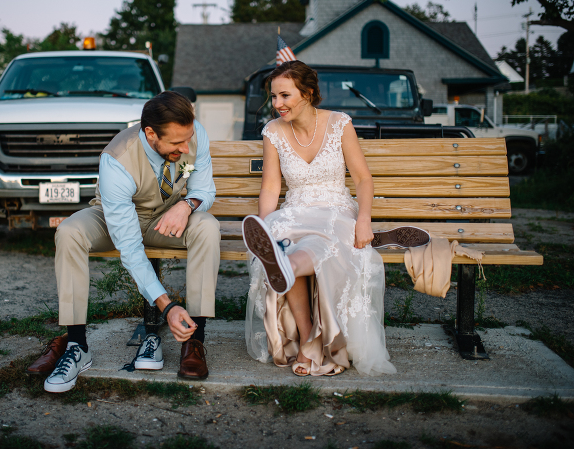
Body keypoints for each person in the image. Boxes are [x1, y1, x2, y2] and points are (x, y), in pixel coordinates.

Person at [44, 91, 219, 393]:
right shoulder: (116, 161)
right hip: (116, 218)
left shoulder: (192, 132)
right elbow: (130, 247)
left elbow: (204, 189)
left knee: (207, 227)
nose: (186, 147)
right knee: (69, 232)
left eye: (188, 139)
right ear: (151, 134)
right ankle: (76, 344)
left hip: (167, 217)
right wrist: (167, 306)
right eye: (177, 143)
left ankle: (194, 340)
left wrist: (186, 205)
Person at [242, 60, 401, 377]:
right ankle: (307, 335)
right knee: (285, 242)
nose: (277, 104)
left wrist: (364, 219)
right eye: (273, 97)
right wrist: (263, 226)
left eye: (285, 96)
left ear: (308, 92)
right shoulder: (273, 132)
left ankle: (284, 268)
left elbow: (363, 179)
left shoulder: (339, 124)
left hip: (335, 210)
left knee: (318, 244)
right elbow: (271, 186)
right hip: (295, 210)